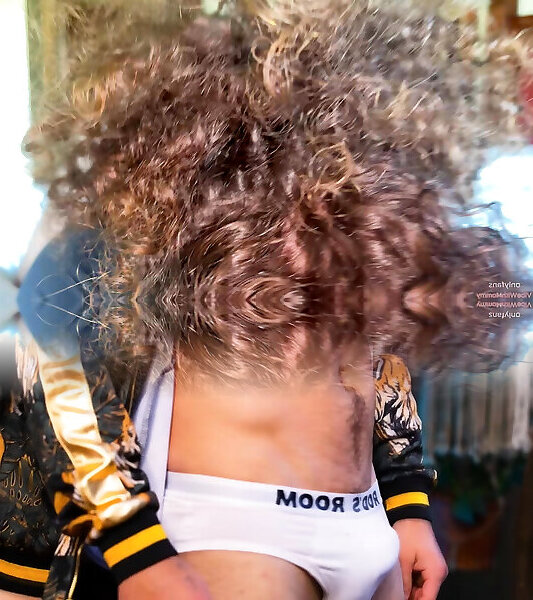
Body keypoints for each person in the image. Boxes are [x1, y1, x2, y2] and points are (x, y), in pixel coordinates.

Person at [7, 0, 533, 598]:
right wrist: (137, 548)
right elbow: (55, 365)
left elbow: (381, 352)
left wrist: (407, 501)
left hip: (365, 520)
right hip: (233, 524)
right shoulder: (167, 159)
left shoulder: (367, 166)